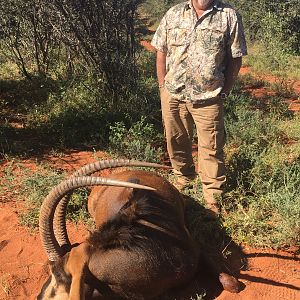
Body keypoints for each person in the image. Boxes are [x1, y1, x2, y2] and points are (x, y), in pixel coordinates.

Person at [151, 0, 247, 215]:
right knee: (176, 140)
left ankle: (212, 197)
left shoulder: (229, 15)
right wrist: (162, 87)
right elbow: (161, 51)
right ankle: (183, 180)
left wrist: (224, 91)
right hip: (174, 93)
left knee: (211, 148)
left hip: (209, 97)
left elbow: (236, 58)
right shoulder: (174, 13)